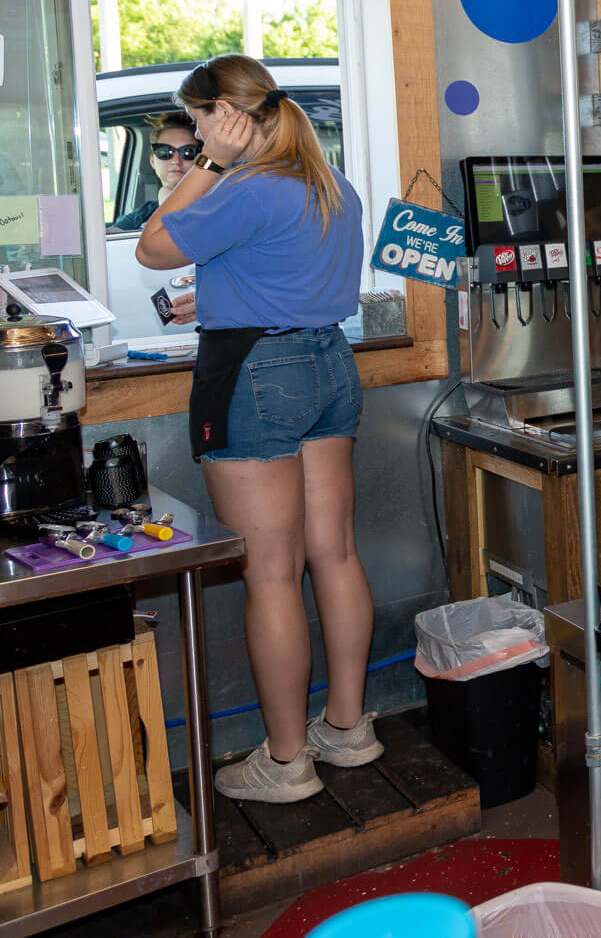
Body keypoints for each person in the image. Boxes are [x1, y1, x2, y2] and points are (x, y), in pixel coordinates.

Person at [135, 54, 378, 804]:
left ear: (225, 116)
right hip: (328, 363)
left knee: (270, 571)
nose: (191, 137)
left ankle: (285, 759)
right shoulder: (333, 185)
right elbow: (278, 269)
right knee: (333, 552)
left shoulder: (244, 186)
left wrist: (210, 161)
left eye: (197, 121)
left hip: (255, 370)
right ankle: (347, 728)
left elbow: (152, 246)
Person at [112, 112, 201, 231]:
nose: (176, 161)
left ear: (199, 159)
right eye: (165, 152)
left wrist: (166, 197)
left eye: (187, 152)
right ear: (152, 161)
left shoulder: (214, 203)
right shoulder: (145, 213)